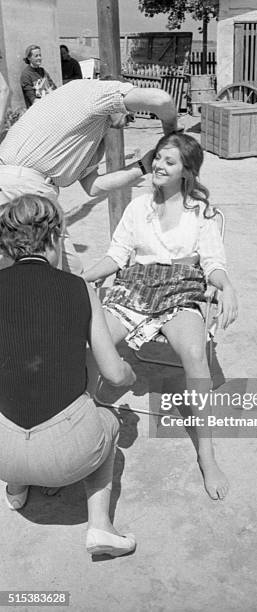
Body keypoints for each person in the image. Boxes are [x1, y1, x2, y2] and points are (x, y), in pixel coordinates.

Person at [84, 132, 238, 501]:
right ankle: (82, 432)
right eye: (158, 159)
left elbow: (213, 262)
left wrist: (227, 285)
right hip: (135, 286)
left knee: (194, 355)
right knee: (93, 340)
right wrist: (80, 277)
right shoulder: (137, 207)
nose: (158, 165)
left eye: (169, 162)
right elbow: (117, 256)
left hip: (182, 288)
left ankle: (207, 454)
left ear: (187, 170)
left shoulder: (203, 212)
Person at [0, 194, 137, 556]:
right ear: (54, 239)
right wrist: (130, 374)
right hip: (67, 455)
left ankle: (15, 488)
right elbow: (113, 372)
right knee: (108, 418)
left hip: (2, 452)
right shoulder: (79, 288)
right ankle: (100, 527)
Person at [0, 78, 178, 274]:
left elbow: (93, 186)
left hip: (31, 188)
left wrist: (143, 166)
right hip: (22, 188)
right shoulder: (98, 92)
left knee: (73, 272)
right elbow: (161, 100)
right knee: (37, 276)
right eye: (131, 114)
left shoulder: (93, 129)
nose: (129, 120)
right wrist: (171, 139)